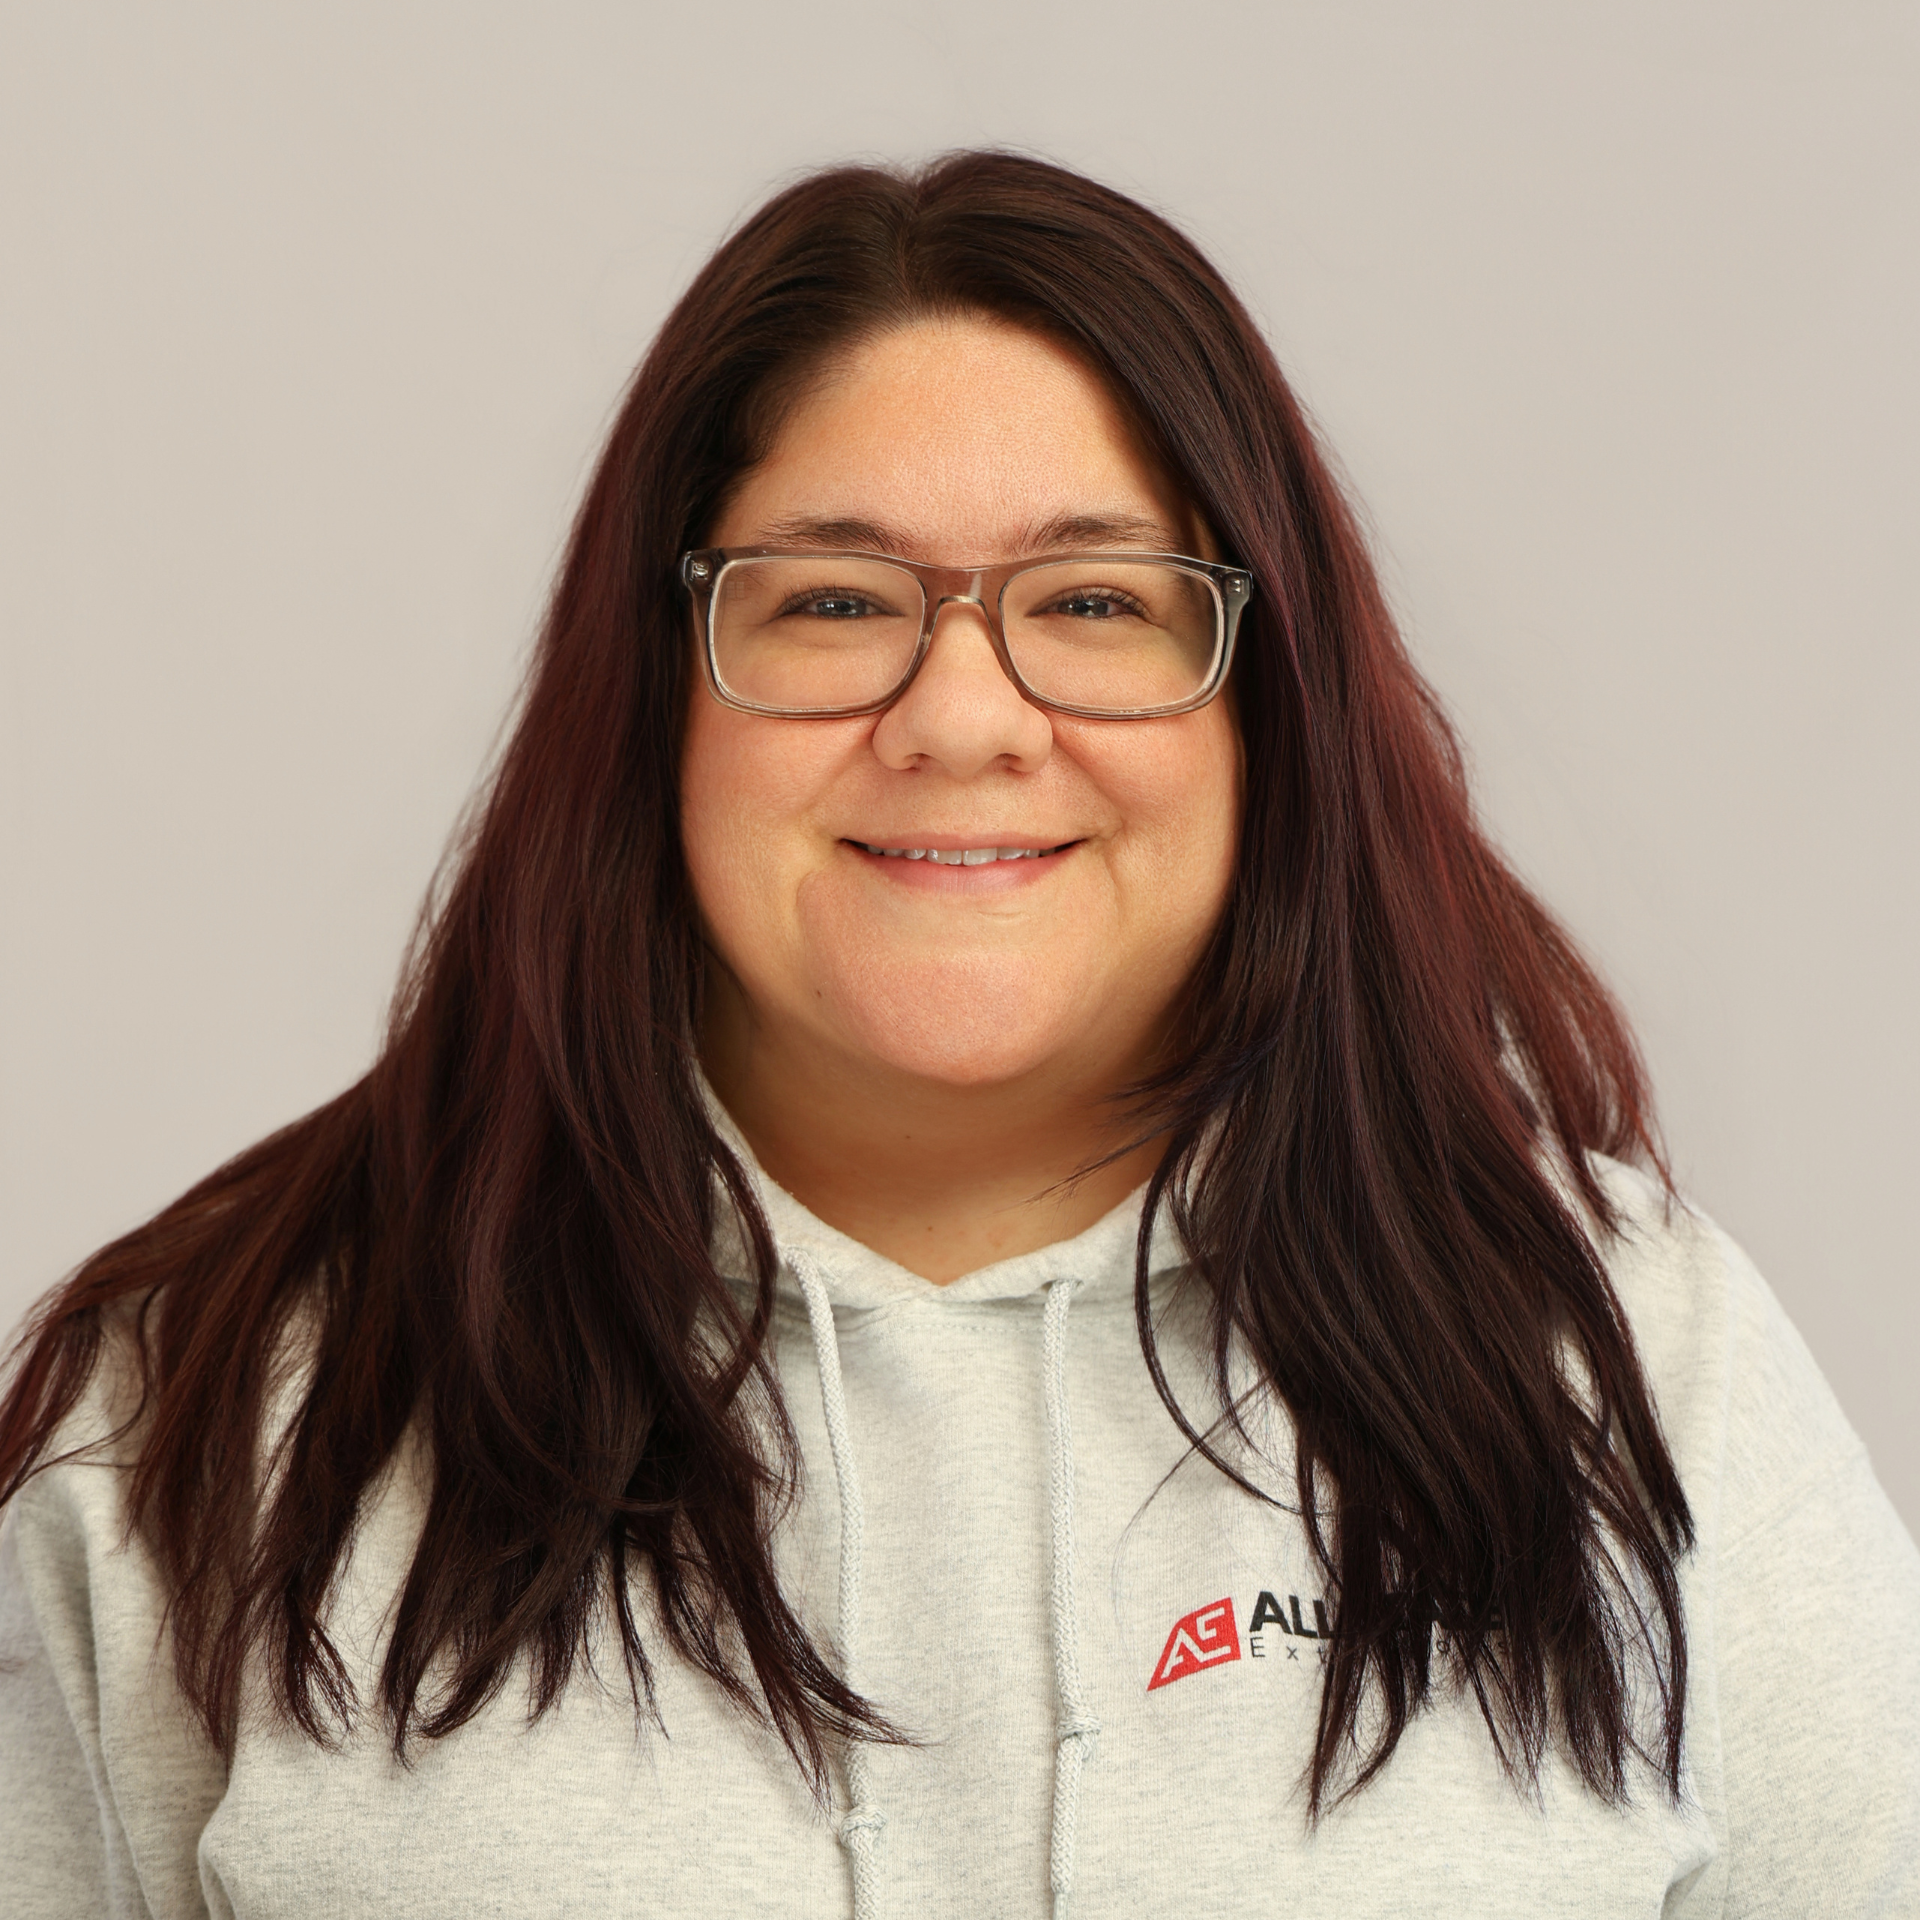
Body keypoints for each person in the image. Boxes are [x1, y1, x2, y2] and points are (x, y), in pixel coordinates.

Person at [1, 151, 1915, 1919]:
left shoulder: (1628, 1363)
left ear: (1271, 708)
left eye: (1094, 599)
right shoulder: (204, 1415)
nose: (964, 717)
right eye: (835, 601)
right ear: (652, 689)